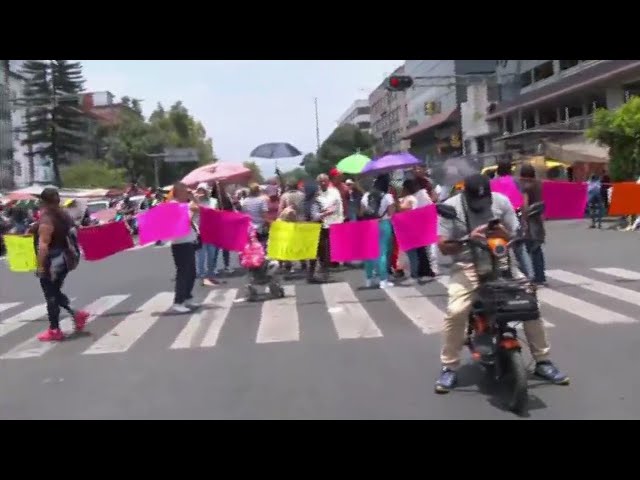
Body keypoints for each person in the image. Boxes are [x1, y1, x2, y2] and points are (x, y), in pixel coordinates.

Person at [434, 173, 569, 393]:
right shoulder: (451, 207)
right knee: (456, 310)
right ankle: (449, 367)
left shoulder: (501, 201)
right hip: (467, 264)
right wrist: (470, 236)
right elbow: (443, 246)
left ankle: (543, 361)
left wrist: (504, 234)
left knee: (530, 302)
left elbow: (516, 233)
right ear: (465, 195)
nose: (481, 205)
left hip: (501, 262)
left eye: (484, 200)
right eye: (476, 202)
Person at [34, 187, 89, 342]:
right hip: (66, 259)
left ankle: (55, 329)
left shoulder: (47, 218)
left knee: (50, 295)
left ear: (43, 201)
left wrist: (40, 266)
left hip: (53, 261)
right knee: (54, 292)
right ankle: (76, 315)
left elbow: (43, 245)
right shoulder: (64, 215)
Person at [170, 182, 200, 313]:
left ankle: (187, 297)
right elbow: (183, 224)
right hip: (180, 244)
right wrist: (192, 212)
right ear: (178, 192)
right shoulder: (173, 205)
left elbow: (200, 208)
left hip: (189, 241)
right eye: (185, 191)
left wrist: (194, 198)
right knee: (183, 273)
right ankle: (178, 301)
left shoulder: (186, 204)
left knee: (192, 273)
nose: (187, 193)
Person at [361, 174, 396, 289]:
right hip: (383, 224)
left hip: (368, 225)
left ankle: (369, 279)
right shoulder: (388, 197)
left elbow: (361, 213)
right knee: (382, 253)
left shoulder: (366, 196)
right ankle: (383, 280)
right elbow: (391, 214)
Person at [519, 163, 547, 285]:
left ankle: (534, 276)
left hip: (530, 222)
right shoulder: (539, 184)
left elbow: (524, 205)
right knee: (537, 249)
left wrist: (523, 221)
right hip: (538, 220)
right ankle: (540, 275)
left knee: (529, 249)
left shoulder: (526, 187)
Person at [317, 173, 344, 279]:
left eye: (325, 181)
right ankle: (324, 262)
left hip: (334, 220)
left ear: (328, 181)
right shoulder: (317, 193)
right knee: (323, 244)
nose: (323, 183)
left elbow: (337, 205)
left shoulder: (334, 192)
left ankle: (334, 261)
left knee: (334, 242)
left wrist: (326, 210)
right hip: (321, 221)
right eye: (321, 181)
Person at [194, 183, 220, 287]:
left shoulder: (214, 201)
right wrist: (195, 200)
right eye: (199, 190)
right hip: (200, 231)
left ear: (207, 191)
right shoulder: (194, 202)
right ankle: (202, 276)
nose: (201, 192)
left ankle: (211, 275)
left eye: (203, 190)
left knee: (211, 255)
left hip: (212, 231)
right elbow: (191, 215)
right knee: (201, 256)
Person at [302, 181, 326, 283]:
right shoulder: (314, 203)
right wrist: (326, 213)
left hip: (307, 229)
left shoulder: (304, 202)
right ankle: (319, 274)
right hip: (316, 228)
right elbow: (315, 216)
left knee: (312, 253)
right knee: (320, 252)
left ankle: (310, 275)